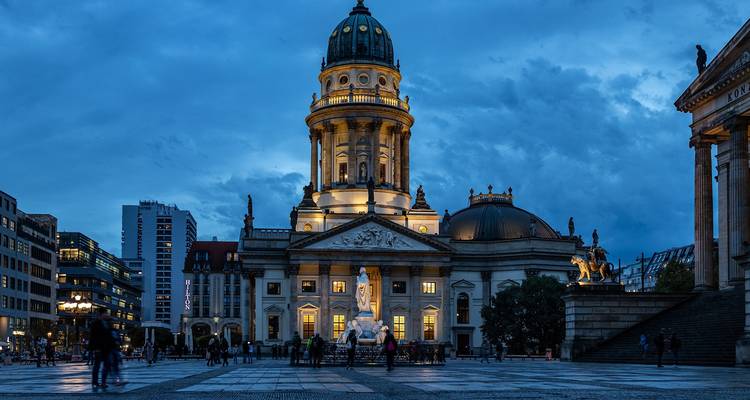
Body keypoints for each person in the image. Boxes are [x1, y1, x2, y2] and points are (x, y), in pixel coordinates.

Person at [90, 309, 115, 389]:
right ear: (102, 314)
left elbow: (109, 336)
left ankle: (103, 382)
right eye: (106, 313)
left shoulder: (107, 323)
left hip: (106, 348)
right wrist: (95, 348)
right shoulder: (95, 324)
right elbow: (93, 337)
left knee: (106, 365)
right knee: (97, 365)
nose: (107, 314)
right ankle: (95, 382)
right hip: (99, 348)